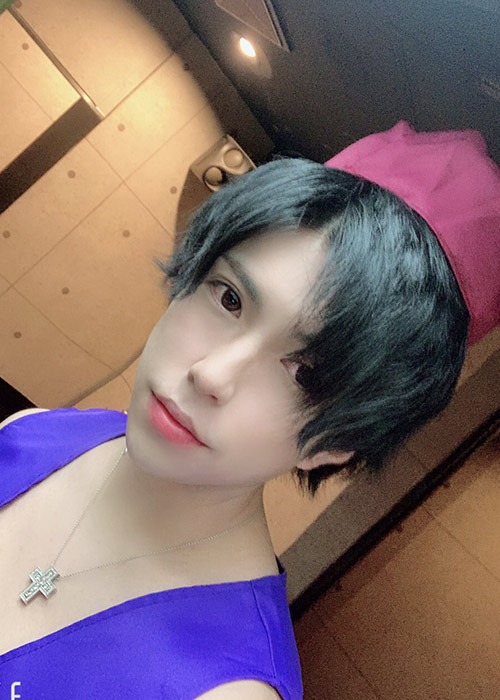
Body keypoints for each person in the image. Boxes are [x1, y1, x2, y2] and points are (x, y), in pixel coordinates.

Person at [0, 120, 499, 699]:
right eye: (230, 297)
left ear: (336, 444)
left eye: (304, 373)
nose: (211, 374)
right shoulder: (37, 429)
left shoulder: (227, 688)